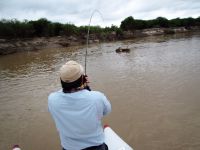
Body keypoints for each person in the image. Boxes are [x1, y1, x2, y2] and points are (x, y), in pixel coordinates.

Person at [48, 60, 111, 150]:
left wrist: (81, 86)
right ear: (83, 79)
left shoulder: (52, 99)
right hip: (96, 146)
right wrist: (86, 89)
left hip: (68, 147)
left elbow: (65, 91)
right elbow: (106, 111)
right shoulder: (97, 97)